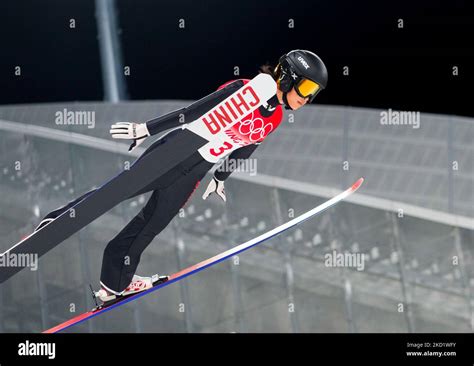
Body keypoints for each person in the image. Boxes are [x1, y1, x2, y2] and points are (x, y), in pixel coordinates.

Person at [36, 49, 328, 305]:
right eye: (306, 88)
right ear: (289, 77)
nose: (307, 98)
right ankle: (58, 218)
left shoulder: (275, 117)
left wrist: (221, 177)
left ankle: (115, 284)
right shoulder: (244, 88)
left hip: (196, 170)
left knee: (151, 225)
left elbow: (246, 147)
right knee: (115, 192)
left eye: (313, 93)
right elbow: (191, 112)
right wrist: (146, 129)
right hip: (178, 150)